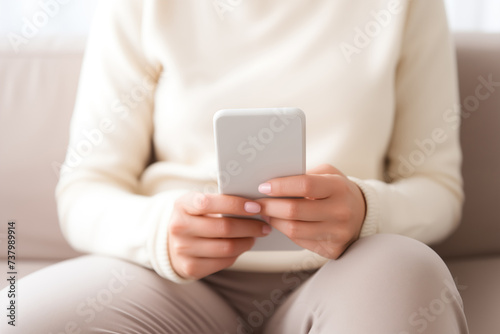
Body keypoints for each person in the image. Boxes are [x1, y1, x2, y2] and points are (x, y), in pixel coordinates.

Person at [2, 0, 469, 333]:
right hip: (171, 283)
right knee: (19, 315)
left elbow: (437, 187)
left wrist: (367, 210)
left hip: (344, 271)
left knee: (407, 270)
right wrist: (162, 229)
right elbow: (85, 188)